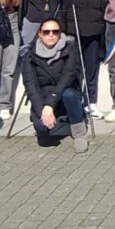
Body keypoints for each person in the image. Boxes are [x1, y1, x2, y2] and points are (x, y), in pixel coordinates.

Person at [55, 0, 107, 119]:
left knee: (91, 67)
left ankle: (91, 102)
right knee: (73, 67)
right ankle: (74, 103)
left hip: (95, 23)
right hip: (73, 23)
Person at [21, 18, 89, 152]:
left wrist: (49, 104)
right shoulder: (30, 55)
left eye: (55, 31)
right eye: (46, 32)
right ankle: (44, 122)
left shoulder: (70, 50)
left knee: (69, 94)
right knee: (43, 134)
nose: (51, 35)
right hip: (42, 98)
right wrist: (42, 108)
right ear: (40, 34)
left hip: (65, 95)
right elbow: (31, 85)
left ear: (59, 34)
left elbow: (67, 78)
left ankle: (79, 132)